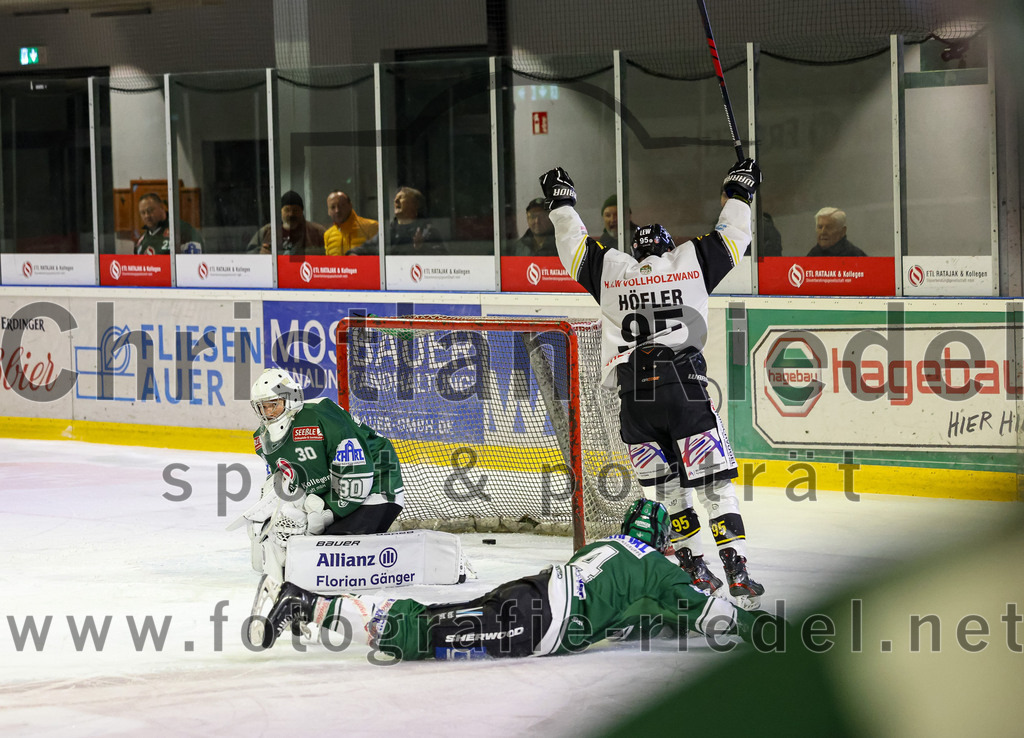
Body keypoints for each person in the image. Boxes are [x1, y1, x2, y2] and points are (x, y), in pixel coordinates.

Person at [538, 161, 765, 609]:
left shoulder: (613, 270)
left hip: (634, 399)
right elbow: (735, 235)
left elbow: (572, 245)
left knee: (667, 492)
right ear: (667, 247)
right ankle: (736, 570)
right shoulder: (689, 261)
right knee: (714, 487)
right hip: (683, 389)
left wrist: (561, 202)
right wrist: (739, 191)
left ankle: (694, 568)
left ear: (636, 252)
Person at [254, 498, 782, 657]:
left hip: (534, 591)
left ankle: (315, 606)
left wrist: (669, 618)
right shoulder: (658, 567)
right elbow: (709, 613)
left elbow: (632, 613)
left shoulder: (603, 547)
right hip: (540, 622)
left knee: (436, 620)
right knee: (424, 633)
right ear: (661, 539)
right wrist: (758, 626)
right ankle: (310, 603)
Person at [246, 368, 405, 579]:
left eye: (273, 405)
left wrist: (326, 513)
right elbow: (284, 484)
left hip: (377, 483)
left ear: (290, 399)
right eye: (262, 407)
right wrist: (269, 518)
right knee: (301, 547)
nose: (268, 412)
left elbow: (356, 478)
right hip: (330, 490)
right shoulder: (262, 440)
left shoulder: (321, 415)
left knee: (335, 552)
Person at [246, 191, 327, 256]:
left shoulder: (317, 231)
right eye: (287, 210)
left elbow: (329, 254)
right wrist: (260, 252)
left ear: (302, 211)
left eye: (295, 210)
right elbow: (249, 254)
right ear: (280, 211)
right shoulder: (266, 231)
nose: (291, 214)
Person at [720, 186, 782, 257]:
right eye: (725, 196)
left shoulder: (763, 229)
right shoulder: (718, 226)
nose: (729, 201)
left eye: (735, 197)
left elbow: (771, 261)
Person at [134, 193, 204, 255]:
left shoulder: (182, 230)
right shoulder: (141, 241)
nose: (146, 216)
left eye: (150, 211)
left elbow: (194, 262)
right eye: (143, 213)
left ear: (162, 207)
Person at [323, 190, 379, 256]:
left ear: (350, 205)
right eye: (333, 207)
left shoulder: (371, 227)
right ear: (328, 211)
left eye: (341, 205)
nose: (337, 210)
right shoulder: (328, 235)